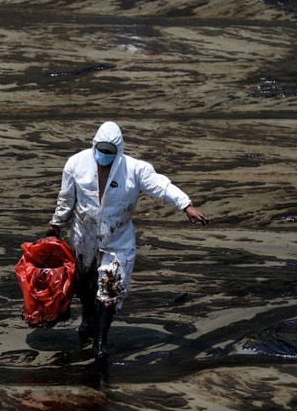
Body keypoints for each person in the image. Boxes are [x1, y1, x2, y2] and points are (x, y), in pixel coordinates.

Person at [46, 121, 208, 373]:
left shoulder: (134, 170)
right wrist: (56, 222)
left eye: (109, 152)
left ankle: (100, 342)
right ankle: (87, 319)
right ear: (93, 146)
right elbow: (66, 197)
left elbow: (161, 186)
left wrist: (186, 205)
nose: (103, 156)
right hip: (84, 234)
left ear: (118, 151)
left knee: (110, 289)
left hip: (117, 238)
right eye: (100, 150)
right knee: (86, 282)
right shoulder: (76, 163)